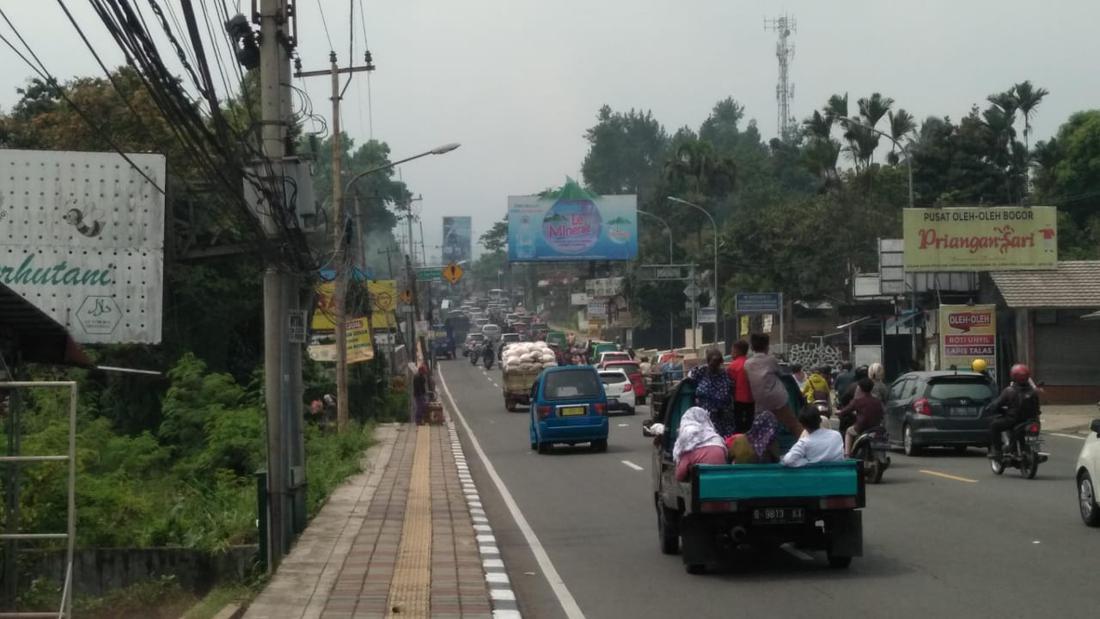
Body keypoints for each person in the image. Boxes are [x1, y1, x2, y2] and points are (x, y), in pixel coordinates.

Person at [744, 333, 802, 437]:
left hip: (761, 402)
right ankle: (807, 445)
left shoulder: (747, 364)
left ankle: (769, 452)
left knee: (763, 432)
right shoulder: (771, 360)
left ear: (752, 347)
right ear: (767, 346)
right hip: (778, 399)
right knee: (793, 424)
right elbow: (780, 373)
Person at [986, 364, 1041, 458]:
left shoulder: (1009, 391)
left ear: (1013, 376)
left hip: (1013, 420)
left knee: (994, 426)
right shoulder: (1034, 392)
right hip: (1032, 420)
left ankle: (997, 452)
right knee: (1034, 434)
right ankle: (1033, 450)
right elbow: (1037, 408)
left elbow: (997, 404)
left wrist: (989, 408)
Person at [686, 347, 736, 437]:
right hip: (716, 415)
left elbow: (689, 378)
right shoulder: (702, 372)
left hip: (715, 415)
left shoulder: (702, 372)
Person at [673, 406, 728, 481]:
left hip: (702, 486)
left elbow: (680, 475)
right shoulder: (717, 439)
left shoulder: (688, 442)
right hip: (721, 482)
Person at [781, 405, 845, 468]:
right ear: (820, 420)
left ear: (802, 425)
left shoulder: (804, 442)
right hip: (840, 471)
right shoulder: (836, 435)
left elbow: (787, 460)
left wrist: (807, 461)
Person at [837, 378, 885, 456]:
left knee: (848, 432)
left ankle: (847, 455)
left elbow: (845, 411)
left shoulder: (858, 401)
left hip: (861, 428)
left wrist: (839, 413)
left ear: (860, 388)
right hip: (875, 427)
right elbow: (882, 413)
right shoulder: (877, 401)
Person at [725, 340, 755, 434]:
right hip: (752, 399)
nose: (731, 353)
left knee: (738, 424)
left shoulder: (732, 366)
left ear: (737, 351)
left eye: (732, 351)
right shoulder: (751, 363)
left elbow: (728, 383)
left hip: (738, 400)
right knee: (750, 422)